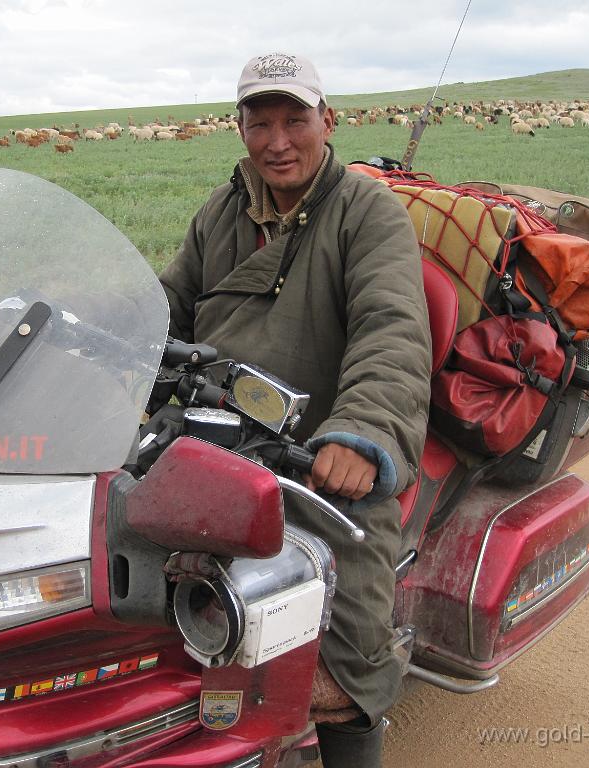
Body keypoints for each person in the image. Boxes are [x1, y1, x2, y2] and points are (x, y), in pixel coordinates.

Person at [159, 53, 431, 767]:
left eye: (294, 121)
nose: (277, 140)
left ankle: (354, 739)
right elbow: (166, 305)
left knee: (351, 637)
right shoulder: (220, 213)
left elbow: (392, 331)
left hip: (312, 459)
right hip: (212, 440)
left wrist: (363, 431)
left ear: (326, 122)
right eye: (260, 123)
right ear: (241, 129)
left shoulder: (367, 214)